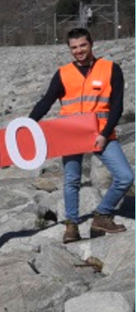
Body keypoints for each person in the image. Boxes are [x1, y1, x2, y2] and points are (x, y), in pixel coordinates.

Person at [29, 28, 134, 244]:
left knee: (125, 177)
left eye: (83, 45)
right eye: (74, 47)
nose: (79, 51)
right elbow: (46, 101)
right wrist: (26, 125)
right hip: (71, 135)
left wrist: (105, 134)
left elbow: (117, 106)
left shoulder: (111, 69)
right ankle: (72, 226)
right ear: (69, 49)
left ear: (91, 44)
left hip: (102, 133)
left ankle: (102, 215)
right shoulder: (63, 73)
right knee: (71, 181)